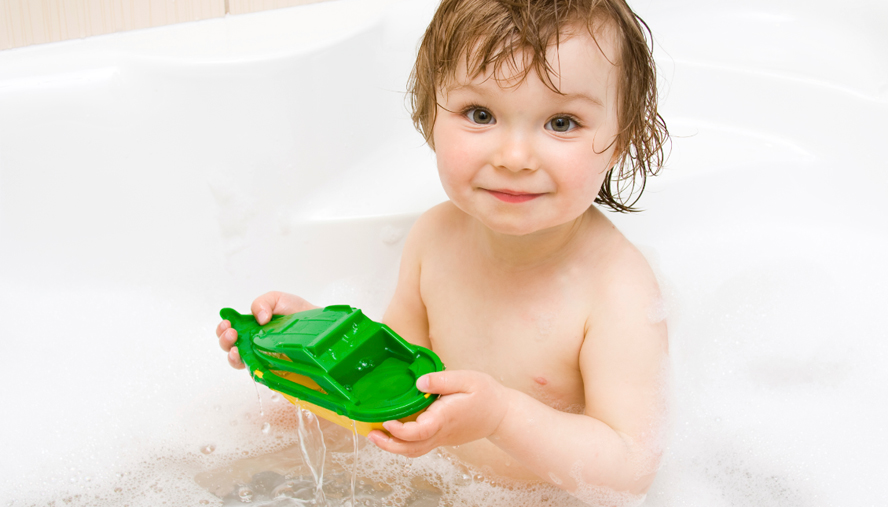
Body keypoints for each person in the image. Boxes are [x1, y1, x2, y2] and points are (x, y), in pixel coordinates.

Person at [217, 0, 669, 500]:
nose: (514, 157)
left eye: (561, 123)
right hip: (434, 482)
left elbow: (631, 470)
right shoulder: (435, 237)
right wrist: (313, 347)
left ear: (621, 138)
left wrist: (501, 416)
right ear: (429, 113)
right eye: (481, 114)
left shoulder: (617, 290)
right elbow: (393, 375)